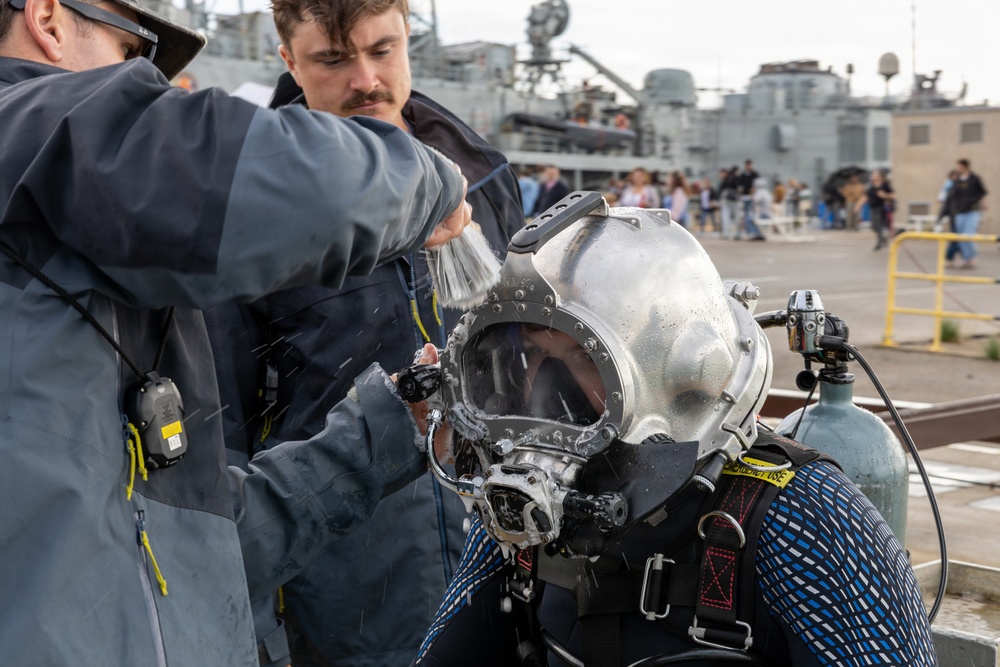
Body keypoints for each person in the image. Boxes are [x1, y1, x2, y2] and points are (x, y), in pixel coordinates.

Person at [0, 0, 475, 663]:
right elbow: (249, 180)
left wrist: (393, 426)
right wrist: (431, 180)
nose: (150, 87)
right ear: (48, 19)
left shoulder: (62, 268)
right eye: (134, 54)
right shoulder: (25, 120)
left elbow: (204, 529)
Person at [414, 193, 936, 667]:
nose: (548, 395)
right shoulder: (525, 518)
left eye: (580, 357)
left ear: (678, 372)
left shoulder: (808, 521)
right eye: (530, 357)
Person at [205, 1, 525, 665]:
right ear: (288, 59)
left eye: (383, 50)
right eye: (332, 58)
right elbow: (218, 452)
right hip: (350, 609)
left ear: (408, 34)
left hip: (504, 576)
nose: (366, 79)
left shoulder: (487, 177)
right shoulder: (247, 226)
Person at [943, 158, 988, 269]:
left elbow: (982, 192)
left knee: (969, 234)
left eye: (959, 166)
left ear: (965, 166)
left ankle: (971, 257)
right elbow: (952, 196)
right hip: (960, 212)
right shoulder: (957, 181)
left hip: (972, 211)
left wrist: (982, 203)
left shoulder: (975, 179)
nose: (957, 169)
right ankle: (967, 258)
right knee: (960, 237)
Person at [856, 170, 894, 251]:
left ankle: (879, 242)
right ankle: (883, 238)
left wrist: (885, 195)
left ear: (879, 177)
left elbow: (892, 195)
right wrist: (858, 206)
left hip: (882, 208)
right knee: (874, 226)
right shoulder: (871, 187)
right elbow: (865, 197)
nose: (872, 176)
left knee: (879, 225)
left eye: (874, 175)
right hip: (873, 208)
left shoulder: (885, 185)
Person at [718, 166, 741, 239]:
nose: (720, 175)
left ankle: (727, 234)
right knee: (734, 218)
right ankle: (736, 234)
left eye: (721, 173)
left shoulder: (729, 179)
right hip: (733, 200)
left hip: (729, 201)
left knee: (727, 217)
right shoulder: (732, 179)